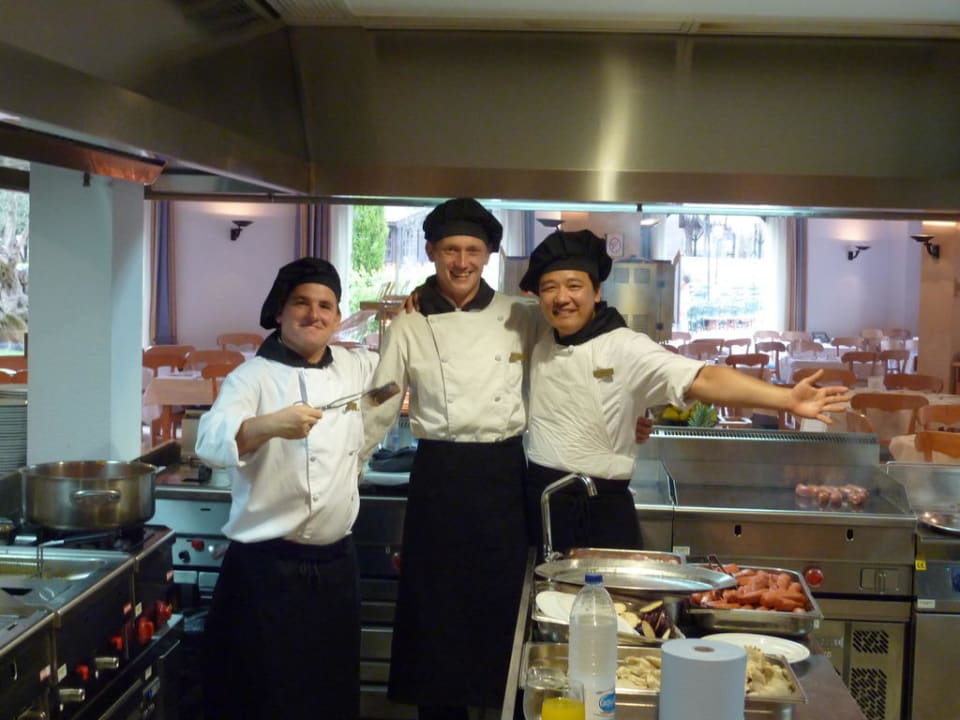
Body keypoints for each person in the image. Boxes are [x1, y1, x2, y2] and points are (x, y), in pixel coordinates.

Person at [519, 229, 850, 554]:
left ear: (597, 292)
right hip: (540, 501)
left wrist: (785, 398)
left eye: (574, 285)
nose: (561, 298)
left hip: (597, 510)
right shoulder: (538, 338)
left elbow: (703, 378)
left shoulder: (625, 346)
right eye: (549, 287)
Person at [362, 198, 539, 720]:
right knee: (436, 610)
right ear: (431, 252)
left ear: (488, 255)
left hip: (503, 477)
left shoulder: (521, 315)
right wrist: (348, 462)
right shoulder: (409, 325)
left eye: (472, 251)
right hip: (439, 476)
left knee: (501, 606)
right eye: (451, 250)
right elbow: (382, 401)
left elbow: (566, 368)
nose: (462, 262)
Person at [195, 257, 376, 720]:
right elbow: (209, 442)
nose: (314, 314)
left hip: (336, 569)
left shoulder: (354, 366)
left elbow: (399, 370)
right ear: (279, 311)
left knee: (330, 697)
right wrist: (268, 425)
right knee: (262, 699)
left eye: (325, 306)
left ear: (337, 317)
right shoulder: (250, 376)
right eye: (301, 303)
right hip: (265, 572)